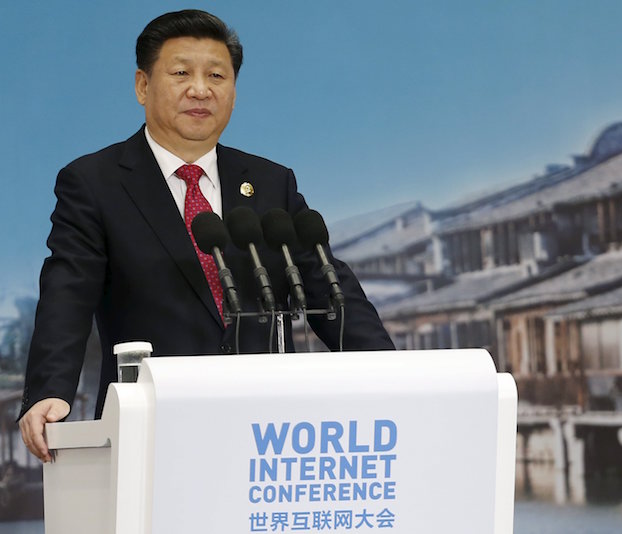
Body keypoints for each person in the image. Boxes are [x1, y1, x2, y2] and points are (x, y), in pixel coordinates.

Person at [18, 9, 394, 462]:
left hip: (273, 435)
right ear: (142, 86)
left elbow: (325, 283)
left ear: (234, 90)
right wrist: (48, 390)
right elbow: (68, 291)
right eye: (181, 73)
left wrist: (392, 374)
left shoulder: (271, 182)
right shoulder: (95, 182)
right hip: (153, 431)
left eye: (217, 75)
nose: (201, 89)